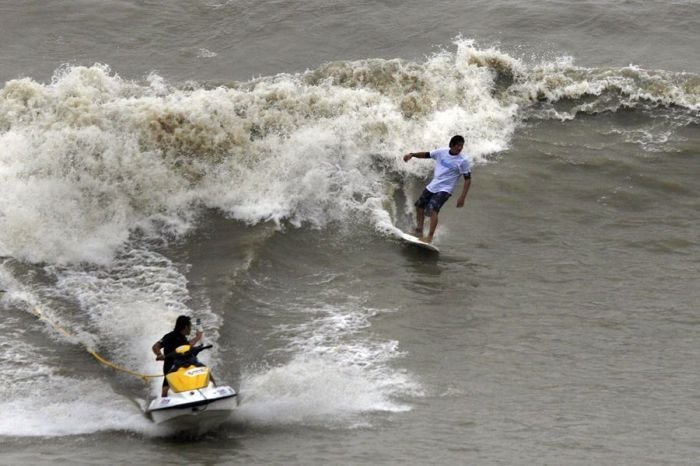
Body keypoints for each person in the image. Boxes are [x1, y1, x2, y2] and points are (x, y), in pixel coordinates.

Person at [402, 135, 472, 243]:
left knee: (434, 209)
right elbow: (427, 154)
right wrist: (412, 155)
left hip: (445, 189)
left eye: (462, 146)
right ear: (452, 145)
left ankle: (429, 237)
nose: (460, 148)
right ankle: (419, 230)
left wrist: (462, 197)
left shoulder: (463, 161)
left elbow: (468, 179)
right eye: (458, 145)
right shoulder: (442, 152)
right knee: (420, 206)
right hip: (433, 185)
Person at [152, 315, 203, 397]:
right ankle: (163, 400)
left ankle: (196, 394)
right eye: (190, 326)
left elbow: (187, 346)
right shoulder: (170, 336)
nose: (191, 329)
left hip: (184, 364)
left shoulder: (182, 338)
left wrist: (198, 339)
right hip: (171, 365)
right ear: (186, 327)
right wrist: (159, 354)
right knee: (166, 386)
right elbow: (155, 346)